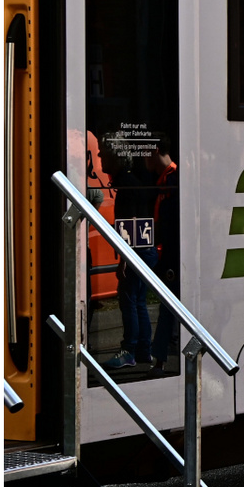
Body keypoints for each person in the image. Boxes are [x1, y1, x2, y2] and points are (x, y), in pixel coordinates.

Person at [104, 142, 158, 370]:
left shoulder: (126, 187)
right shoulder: (133, 182)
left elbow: (128, 226)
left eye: (103, 154)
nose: (99, 158)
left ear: (116, 158)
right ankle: (144, 351)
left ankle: (129, 351)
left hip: (135, 252)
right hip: (146, 250)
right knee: (139, 302)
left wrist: (123, 260)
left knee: (129, 302)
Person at [146, 135, 180, 371]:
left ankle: (159, 358)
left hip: (173, 252)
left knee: (169, 305)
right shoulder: (163, 179)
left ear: (155, 150)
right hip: (168, 250)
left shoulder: (174, 179)